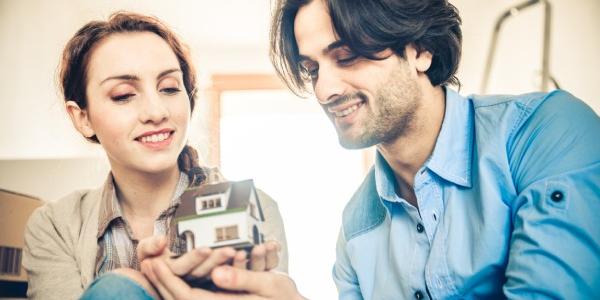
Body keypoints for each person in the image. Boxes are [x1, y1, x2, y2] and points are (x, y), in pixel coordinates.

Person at [173, 0, 599, 298]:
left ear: (421, 50)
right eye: (312, 69)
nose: (324, 89)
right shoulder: (356, 228)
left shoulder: (544, 132)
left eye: (348, 55)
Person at [22, 12, 288, 300]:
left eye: (170, 88)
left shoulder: (255, 209)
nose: (156, 112)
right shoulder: (55, 226)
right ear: (82, 117)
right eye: (123, 95)